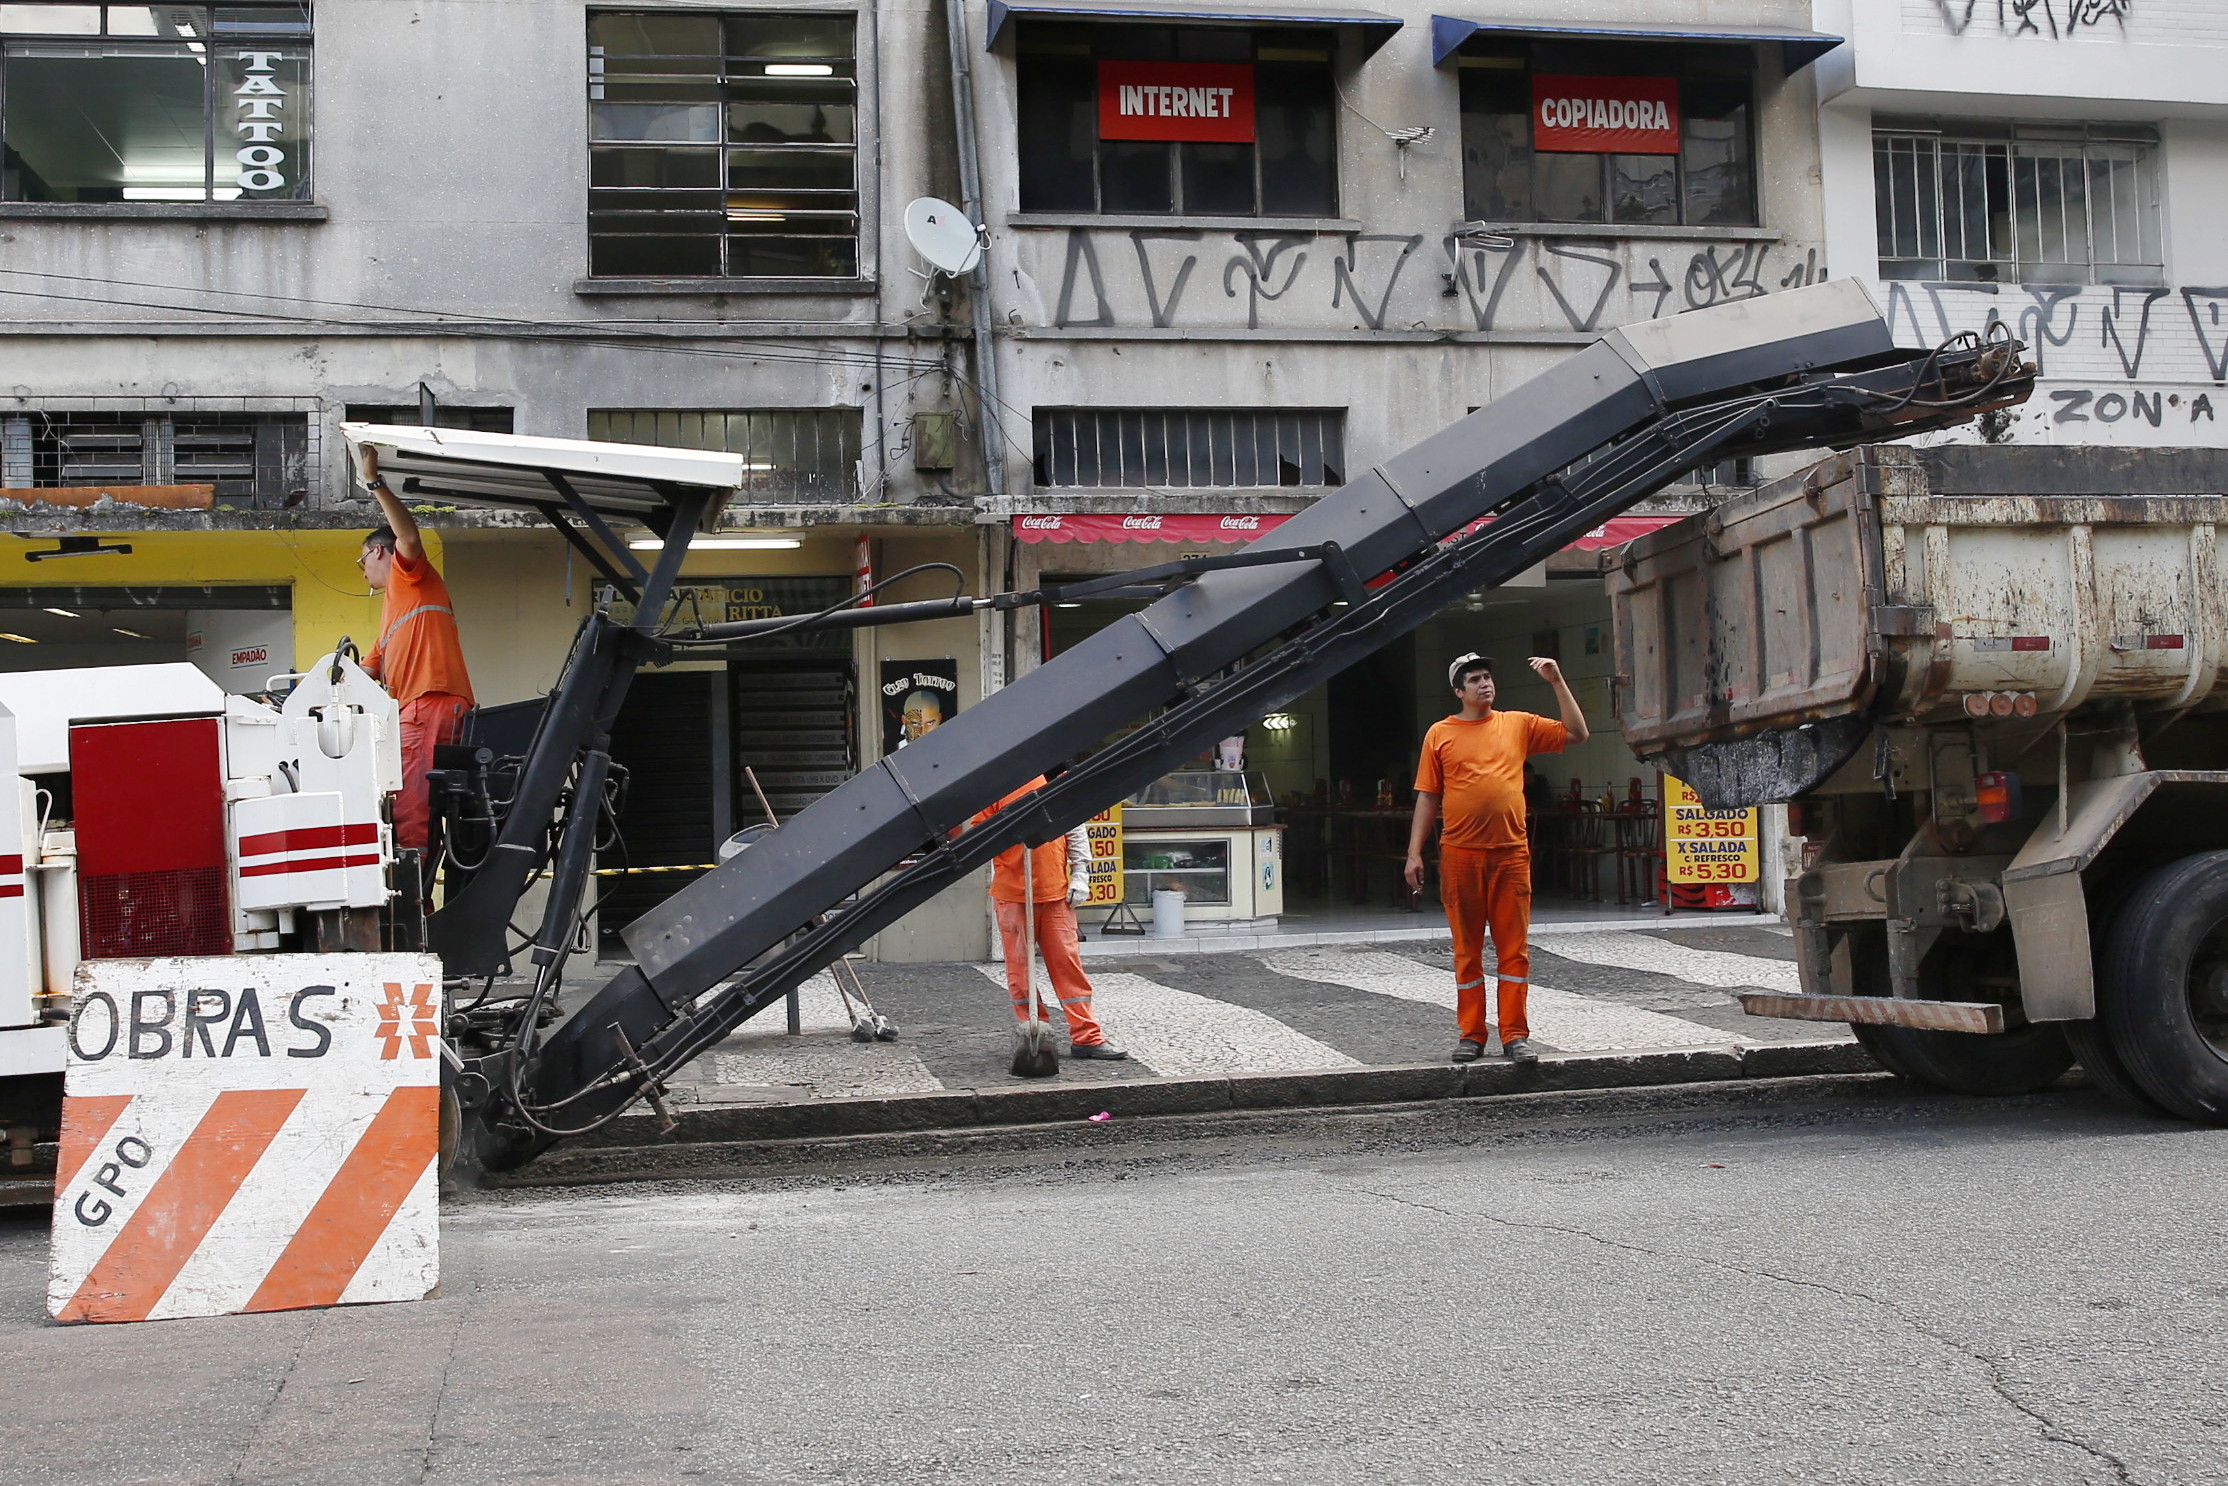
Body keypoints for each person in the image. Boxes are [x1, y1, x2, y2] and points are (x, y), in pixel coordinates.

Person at [1404, 652, 1588, 1065]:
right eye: (1474, 679)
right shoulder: (1440, 734)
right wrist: (1414, 852)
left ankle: (1515, 1035)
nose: (1484, 683)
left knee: (1514, 951)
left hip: (1510, 855)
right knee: (1467, 952)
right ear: (1459, 691)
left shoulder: (1518, 723)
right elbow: (1428, 796)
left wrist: (1556, 681)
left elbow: (1577, 733)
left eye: (1487, 676)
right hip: (1460, 856)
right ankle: (1471, 1034)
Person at [354, 444, 475, 860]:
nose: (363, 572)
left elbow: (407, 536)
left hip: (429, 702)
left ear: (378, 551)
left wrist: (374, 484)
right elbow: (364, 671)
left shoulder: (410, 576)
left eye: (362, 561)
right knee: (412, 801)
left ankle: (413, 887)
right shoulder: (393, 613)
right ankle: (417, 876)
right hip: (421, 706)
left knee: (411, 805)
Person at [973, 778, 1127, 1062]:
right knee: (1020, 972)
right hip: (1013, 895)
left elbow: (1075, 827)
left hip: (1055, 893)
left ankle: (1087, 1037)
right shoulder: (995, 787)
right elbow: (980, 837)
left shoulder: (1055, 780)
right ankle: (1035, 1032)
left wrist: (1081, 873)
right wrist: (1013, 826)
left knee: (1068, 966)